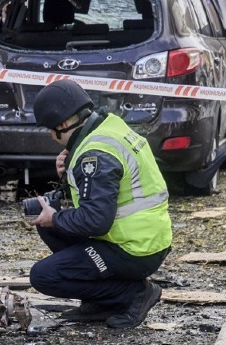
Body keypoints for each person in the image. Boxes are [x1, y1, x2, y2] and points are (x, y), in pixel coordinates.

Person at [26, 79, 172, 329]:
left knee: (43, 276)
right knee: (49, 225)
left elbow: (96, 220)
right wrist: (66, 176)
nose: (51, 136)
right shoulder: (110, 127)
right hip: (147, 236)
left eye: (51, 130)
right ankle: (102, 300)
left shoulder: (95, 154)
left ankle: (134, 294)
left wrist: (55, 217)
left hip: (134, 248)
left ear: (63, 124)